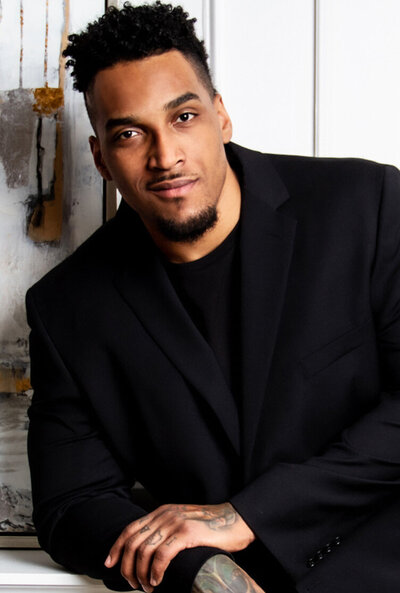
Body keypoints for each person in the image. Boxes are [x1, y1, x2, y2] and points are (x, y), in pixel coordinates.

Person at [26, 2, 400, 593]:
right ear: (100, 156)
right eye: (129, 133)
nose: (166, 157)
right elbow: (72, 504)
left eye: (183, 117)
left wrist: (249, 515)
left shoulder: (366, 206)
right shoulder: (67, 308)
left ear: (221, 116)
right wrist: (197, 571)